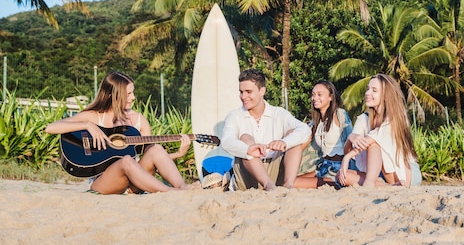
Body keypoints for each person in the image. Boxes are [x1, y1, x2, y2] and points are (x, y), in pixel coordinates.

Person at [45, 71, 194, 194]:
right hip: (106, 182)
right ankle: (168, 191)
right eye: (128, 94)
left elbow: (153, 160)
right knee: (126, 160)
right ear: (112, 95)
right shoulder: (95, 116)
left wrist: (179, 154)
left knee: (155, 148)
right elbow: (50, 128)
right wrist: (88, 125)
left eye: (133, 93)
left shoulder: (139, 121)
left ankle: (182, 187)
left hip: (136, 183)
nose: (133, 97)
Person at [221, 69, 310, 191]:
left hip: (275, 170)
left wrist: (285, 142)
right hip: (247, 175)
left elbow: (305, 129)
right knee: (245, 138)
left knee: (293, 136)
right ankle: (268, 185)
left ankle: (289, 185)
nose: (243, 97)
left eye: (248, 92)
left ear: (262, 91)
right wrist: (248, 149)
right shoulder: (234, 116)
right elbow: (226, 141)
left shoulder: (278, 113)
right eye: (241, 92)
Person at [336, 73, 422, 187]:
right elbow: (348, 149)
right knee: (341, 175)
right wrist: (351, 138)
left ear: (386, 95)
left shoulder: (396, 117)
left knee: (374, 144)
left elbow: (370, 140)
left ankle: (369, 184)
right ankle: (386, 187)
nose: (368, 93)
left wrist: (346, 158)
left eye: (374, 90)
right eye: (368, 89)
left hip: (404, 170)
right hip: (378, 173)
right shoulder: (363, 119)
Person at [294, 80, 353, 188]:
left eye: (319, 94)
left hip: (339, 167)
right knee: (292, 181)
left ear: (331, 97)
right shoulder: (315, 122)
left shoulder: (339, 114)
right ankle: (330, 182)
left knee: (296, 183)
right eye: (313, 95)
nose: (315, 98)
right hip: (324, 166)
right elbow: (302, 143)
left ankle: (335, 182)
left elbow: (351, 139)